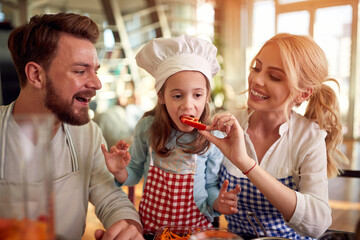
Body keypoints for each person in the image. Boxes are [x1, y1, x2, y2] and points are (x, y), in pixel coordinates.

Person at [0, 13, 144, 240]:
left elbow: (111, 198)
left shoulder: (87, 134)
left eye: (94, 70)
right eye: (80, 71)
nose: (96, 83)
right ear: (36, 75)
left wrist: (126, 228)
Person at [200, 33, 349, 239]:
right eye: (256, 68)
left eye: (275, 77)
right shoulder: (227, 125)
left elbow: (317, 224)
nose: (256, 80)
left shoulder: (309, 138)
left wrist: (247, 164)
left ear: (303, 94)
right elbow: (203, 187)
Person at [101, 35, 241, 238]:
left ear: (207, 96)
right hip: (151, 232)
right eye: (177, 96)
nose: (188, 105)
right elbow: (133, 174)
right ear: (161, 96)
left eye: (197, 95)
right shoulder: (147, 126)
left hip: (196, 232)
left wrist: (219, 203)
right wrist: (119, 171)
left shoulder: (213, 137)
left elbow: (210, 187)